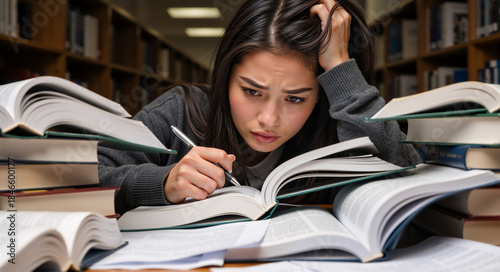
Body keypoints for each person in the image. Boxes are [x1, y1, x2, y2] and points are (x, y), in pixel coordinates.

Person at [98, 0, 421, 214]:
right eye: (252, 91)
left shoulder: (339, 123)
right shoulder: (180, 111)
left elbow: (408, 179)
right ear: (226, 77)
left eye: (295, 98)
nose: (268, 119)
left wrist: (341, 70)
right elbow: (76, 182)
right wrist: (161, 183)